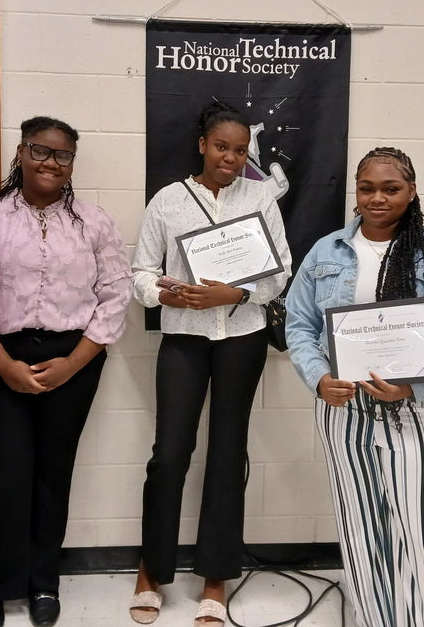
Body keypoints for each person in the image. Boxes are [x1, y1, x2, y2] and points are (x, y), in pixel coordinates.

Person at [285, 146, 424, 627]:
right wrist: (319, 379)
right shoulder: (326, 252)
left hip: (416, 411)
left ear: (411, 192)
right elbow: (299, 325)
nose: (377, 198)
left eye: (390, 189)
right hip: (345, 410)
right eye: (367, 188)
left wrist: (413, 388)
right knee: (361, 530)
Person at [0, 117, 132, 627]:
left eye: (62, 155)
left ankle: (43, 583)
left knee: (53, 474)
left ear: (72, 162)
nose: (51, 162)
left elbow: (116, 295)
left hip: (73, 359)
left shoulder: (94, 222)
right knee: (1, 477)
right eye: (40, 150)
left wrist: (72, 364)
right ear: (20, 152)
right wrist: (4, 364)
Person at [129, 101, 291, 627]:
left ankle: (217, 576)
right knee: (169, 453)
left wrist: (235, 292)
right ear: (203, 145)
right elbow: (141, 271)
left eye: (240, 151)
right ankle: (152, 568)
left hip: (242, 338)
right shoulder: (168, 201)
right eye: (222, 147)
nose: (231, 158)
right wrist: (165, 295)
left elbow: (280, 272)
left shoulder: (260, 196)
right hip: (184, 338)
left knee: (228, 451)